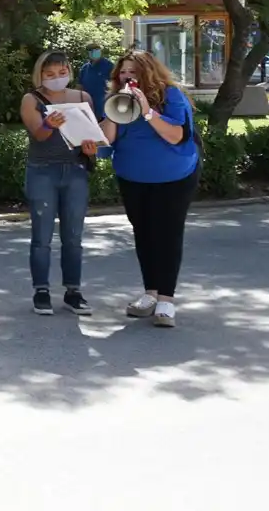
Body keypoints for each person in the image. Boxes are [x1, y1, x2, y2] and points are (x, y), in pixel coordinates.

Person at [98, 50, 200, 328]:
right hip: (133, 176)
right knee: (143, 233)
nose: (127, 77)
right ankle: (150, 293)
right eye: (123, 72)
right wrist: (113, 111)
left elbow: (176, 135)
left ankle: (166, 300)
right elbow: (107, 140)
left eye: (133, 72)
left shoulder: (171, 95)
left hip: (173, 176)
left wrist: (147, 111)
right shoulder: (116, 98)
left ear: (148, 73)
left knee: (167, 235)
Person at [19, 51, 98, 316]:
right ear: (40, 74)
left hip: (75, 171)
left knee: (73, 237)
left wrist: (90, 149)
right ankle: (41, 290)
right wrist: (49, 125)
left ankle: (73, 291)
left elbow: (92, 135)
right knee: (42, 237)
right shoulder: (31, 99)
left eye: (62, 72)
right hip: (43, 172)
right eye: (50, 73)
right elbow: (39, 135)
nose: (56, 78)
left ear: (69, 72)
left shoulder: (82, 98)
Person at [80, 43, 115, 121]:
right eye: (92, 50)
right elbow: (80, 87)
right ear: (88, 53)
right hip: (88, 108)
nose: (95, 52)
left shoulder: (109, 66)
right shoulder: (85, 68)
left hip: (104, 109)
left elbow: (116, 84)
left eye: (97, 50)